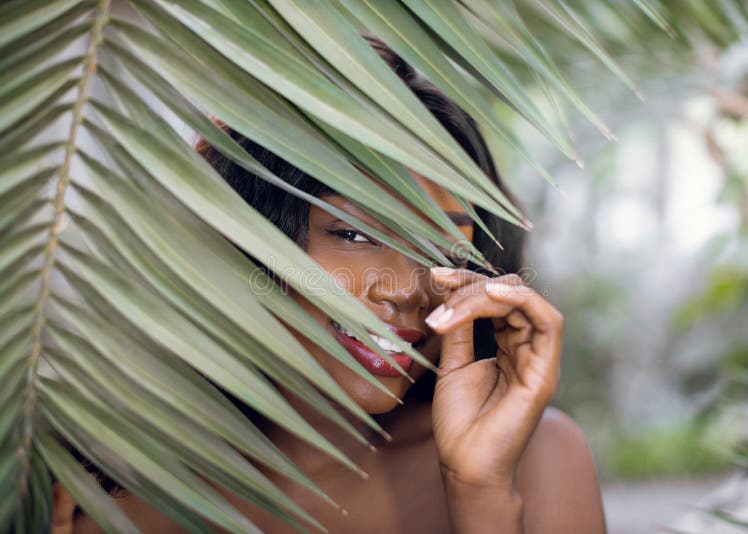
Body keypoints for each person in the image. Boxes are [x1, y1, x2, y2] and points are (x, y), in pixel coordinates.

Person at [52, 37, 606, 533]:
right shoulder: (104, 481)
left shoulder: (535, 461)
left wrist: (480, 492)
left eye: (448, 252)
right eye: (354, 234)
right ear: (249, 234)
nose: (407, 288)